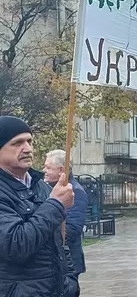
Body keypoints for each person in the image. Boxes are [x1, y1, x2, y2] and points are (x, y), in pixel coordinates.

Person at [0, 116, 79, 297]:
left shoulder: (41, 186)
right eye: (17, 143)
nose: (27, 148)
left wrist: (69, 282)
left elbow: (59, 242)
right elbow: (16, 245)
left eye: (29, 141)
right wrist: (56, 204)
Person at [44, 149, 89, 279]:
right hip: (52, 260)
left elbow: (73, 228)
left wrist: (44, 236)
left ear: (61, 170)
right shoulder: (47, 189)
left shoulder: (74, 191)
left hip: (69, 261)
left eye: (48, 167)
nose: (44, 170)